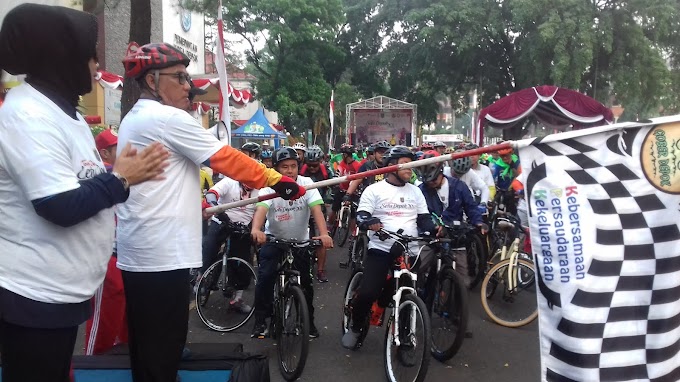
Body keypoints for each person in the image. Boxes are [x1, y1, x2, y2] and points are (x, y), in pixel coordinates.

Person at [116, 42, 304, 382]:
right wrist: (278, 181)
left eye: (188, 78)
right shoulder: (166, 118)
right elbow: (226, 159)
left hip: (145, 252)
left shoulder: (137, 116)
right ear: (152, 81)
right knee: (159, 355)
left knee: (150, 342)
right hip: (160, 255)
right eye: (180, 77)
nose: (188, 86)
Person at [0, 5, 169, 381]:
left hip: (61, 294)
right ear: (62, 56)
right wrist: (120, 180)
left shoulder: (68, 115)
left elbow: (84, 184)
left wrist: (125, 177)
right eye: (90, 54)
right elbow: (58, 204)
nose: (97, 64)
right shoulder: (27, 115)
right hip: (33, 297)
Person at [341, 146, 436, 349]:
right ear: (391, 166)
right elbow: (362, 216)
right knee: (368, 293)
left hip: (410, 250)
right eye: (405, 163)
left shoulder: (416, 192)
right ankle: (356, 326)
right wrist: (369, 221)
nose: (410, 167)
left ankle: (404, 333)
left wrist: (435, 229)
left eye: (412, 163)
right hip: (381, 249)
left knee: (409, 291)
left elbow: (425, 219)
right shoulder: (374, 190)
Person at [250, 147, 334, 338]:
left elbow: (317, 211)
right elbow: (261, 209)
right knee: (265, 278)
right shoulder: (269, 185)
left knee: (306, 285)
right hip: (274, 240)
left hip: (301, 242)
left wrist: (323, 234)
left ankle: (308, 322)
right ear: (276, 168)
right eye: (284, 167)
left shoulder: (307, 184)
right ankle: (261, 321)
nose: (290, 171)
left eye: (293, 166)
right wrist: (256, 230)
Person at [84, 129, 129, 356]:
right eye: (116, 148)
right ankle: (92, 362)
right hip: (105, 254)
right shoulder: (103, 173)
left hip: (125, 253)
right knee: (104, 314)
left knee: (124, 310)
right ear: (104, 152)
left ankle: (120, 354)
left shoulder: (119, 175)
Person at [417, 155, 487, 289]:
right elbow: (420, 215)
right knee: (418, 268)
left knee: (462, 283)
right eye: (427, 181)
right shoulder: (421, 190)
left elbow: (471, 207)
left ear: (441, 173)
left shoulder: (459, 186)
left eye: (434, 180)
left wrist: (478, 222)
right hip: (431, 237)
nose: (431, 184)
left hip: (455, 236)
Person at [201, 176, 259, 313]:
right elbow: (211, 194)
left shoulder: (260, 190)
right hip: (221, 221)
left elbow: (261, 210)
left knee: (243, 263)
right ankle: (200, 276)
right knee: (209, 249)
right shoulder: (230, 182)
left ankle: (237, 299)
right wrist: (216, 208)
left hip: (242, 227)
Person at [299, 145, 334, 282]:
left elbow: (334, 187)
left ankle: (320, 270)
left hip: (319, 206)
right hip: (301, 207)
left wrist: (329, 199)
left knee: (320, 238)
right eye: (309, 166)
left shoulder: (328, 171)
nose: (312, 169)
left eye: (315, 166)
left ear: (320, 162)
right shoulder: (300, 171)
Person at [327, 144, 361, 234]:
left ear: (345, 155)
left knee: (353, 214)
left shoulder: (357, 165)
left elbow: (359, 179)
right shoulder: (342, 163)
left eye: (343, 154)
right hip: (341, 190)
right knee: (334, 208)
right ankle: (329, 226)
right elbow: (338, 174)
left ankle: (353, 233)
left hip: (353, 192)